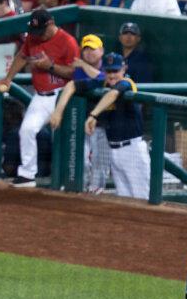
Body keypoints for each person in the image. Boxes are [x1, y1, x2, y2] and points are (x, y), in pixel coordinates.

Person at [0, 8, 79, 187]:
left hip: (62, 97)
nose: (38, 36)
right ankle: (27, 175)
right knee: (27, 130)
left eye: (41, 31)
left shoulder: (68, 41)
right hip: (41, 96)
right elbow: (22, 56)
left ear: (51, 23)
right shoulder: (33, 37)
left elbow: (75, 73)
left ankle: (66, 180)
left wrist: (50, 66)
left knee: (63, 138)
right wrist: (8, 78)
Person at [50, 52, 151, 199]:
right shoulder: (102, 82)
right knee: (124, 200)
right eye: (109, 71)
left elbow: (113, 94)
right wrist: (58, 111)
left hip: (132, 150)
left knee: (141, 198)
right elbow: (71, 85)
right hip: (114, 152)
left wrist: (93, 115)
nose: (111, 75)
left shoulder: (127, 82)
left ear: (124, 70)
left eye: (115, 71)